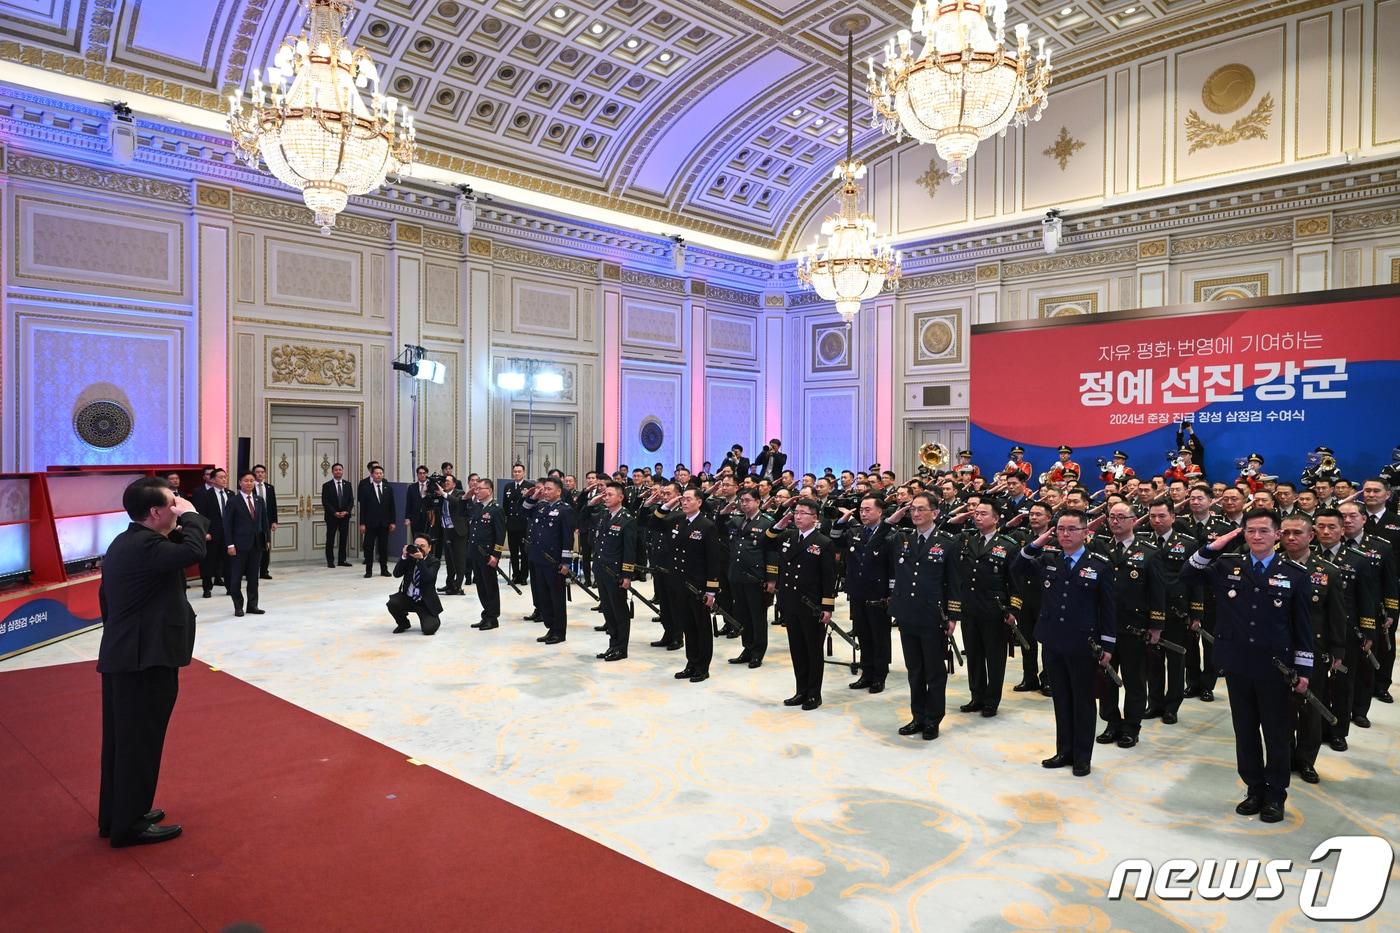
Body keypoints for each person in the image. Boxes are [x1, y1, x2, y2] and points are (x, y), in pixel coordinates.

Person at [1180, 510, 1314, 823]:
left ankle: (1275, 795)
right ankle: (1254, 789)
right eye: (1250, 531)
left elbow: (1303, 629)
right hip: (1238, 664)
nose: (1257, 537)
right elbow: (1188, 572)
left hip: (1276, 668)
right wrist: (1219, 543)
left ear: (1277, 535)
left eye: (1264, 531)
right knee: (1246, 731)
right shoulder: (1228, 565)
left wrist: (1304, 672)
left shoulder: (1294, 574)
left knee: (1277, 733)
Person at [97, 476, 207, 847]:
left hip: (128, 655)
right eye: (173, 502)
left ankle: (120, 814)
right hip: (143, 660)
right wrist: (191, 516)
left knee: (125, 742)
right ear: (157, 511)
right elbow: (193, 551)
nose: (178, 505)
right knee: (139, 742)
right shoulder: (145, 546)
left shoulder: (132, 541)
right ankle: (129, 824)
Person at [1013, 509, 1117, 777]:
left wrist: (1108, 645)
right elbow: (1017, 566)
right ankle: (1064, 750)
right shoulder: (1047, 559)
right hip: (1052, 640)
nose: (1066, 534)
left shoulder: (1099, 565)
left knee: (1083, 701)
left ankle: (1082, 756)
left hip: (1084, 643)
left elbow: (1108, 608)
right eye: (1060, 529)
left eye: (1072, 529)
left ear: (1085, 533)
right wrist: (1037, 542)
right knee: (1061, 699)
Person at [886, 492, 961, 740]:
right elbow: (875, 541)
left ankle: (933, 719)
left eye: (921, 509)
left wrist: (952, 615)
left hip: (933, 615)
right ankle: (917, 716)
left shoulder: (948, 542)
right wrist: (893, 518)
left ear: (935, 513)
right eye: (912, 509)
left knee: (934, 671)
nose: (915, 514)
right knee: (914, 670)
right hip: (907, 614)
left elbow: (954, 582)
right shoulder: (902, 538)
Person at [1278, 513, 1345, 785]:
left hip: (1312, 650)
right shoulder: (1270, 566)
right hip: (1277, 649)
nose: (1291, 538)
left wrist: (1338, 651)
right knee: (1279, 708)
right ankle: (1281, 758)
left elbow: (1336, 616)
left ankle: (1305, 760)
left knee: (1309, 707)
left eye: (1297, 533)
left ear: (1311, 536)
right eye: (1286, 533)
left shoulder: (1327, 571)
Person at [1092, 502, 1166, 749]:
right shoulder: (1100, 547)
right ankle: (1111, 722)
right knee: (1106, 678)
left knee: (1135, 681)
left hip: (1135, 628)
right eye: (1112, 517)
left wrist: (1156, 625)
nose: (1115, 521)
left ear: (1134, 520)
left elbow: (1157, 592)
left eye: (1121, 517)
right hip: (1105, 627)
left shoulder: (1149, 552)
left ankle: (1131, 727)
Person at [766, 497, 837, 710]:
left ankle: (814, 693)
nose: (797, 516)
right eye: (796, 512)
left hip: (811, 605)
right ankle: (801, 690)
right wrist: (780, 522)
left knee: (813, 651)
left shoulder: (823, 542)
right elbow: (766, 541)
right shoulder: (788, 536)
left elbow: (828, 578)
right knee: (797, 649)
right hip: (790, 602)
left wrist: (827, 606)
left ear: (815, 518)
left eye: (803, 513)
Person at [956, 501, 1019, 718]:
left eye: (983, 514)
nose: (977, 517)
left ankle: (992, 700)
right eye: (976, 513)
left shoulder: (1008, 545)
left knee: (994, 658)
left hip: (995, 610)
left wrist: (1013, 609)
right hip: (970, 607)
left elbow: (1015, 583)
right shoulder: (967, 539)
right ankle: (977, 696)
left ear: (996, 518)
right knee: (973, 655)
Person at [1143, 500, 1202, 725]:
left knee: (1176, 660)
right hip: (1149, 610)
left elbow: (1196, 580)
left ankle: (1172, 706)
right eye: (1152, 516)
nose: (1157, 521)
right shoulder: (1142, 541)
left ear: (1173, 518)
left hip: (1177, 611)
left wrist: (1196, 614)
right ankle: (1155, 702)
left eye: (1162, 516)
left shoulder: (1187, 543)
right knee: (1152, 660)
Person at [660, 487, 722, 682]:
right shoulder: (677, 520)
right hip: (679, 583)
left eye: (688, 499)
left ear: (699, 502)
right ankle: (691, 662)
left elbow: (714, 560)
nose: (684, 502)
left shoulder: (707, 525)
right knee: (687, 625)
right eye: (682, 499)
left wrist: (711, 589)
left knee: (701, 627)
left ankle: (703, 666)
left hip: (698, 587)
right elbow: (651, 522)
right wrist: (666, 505)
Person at [842, 495, 893, 693]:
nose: (863, 513)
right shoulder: (855, 531)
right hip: (858, 591)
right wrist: (841, 520)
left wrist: (891, 592)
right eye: (861, 510)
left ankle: (880, 675)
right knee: (863, 634)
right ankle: (866, 672)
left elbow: (892, 568)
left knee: (879, 636)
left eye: (868, 510)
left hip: (878, 592)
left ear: (880, 512)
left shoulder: (889, 535)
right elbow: (836, 538)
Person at [724, 488, 773, 668]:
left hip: (756, 577)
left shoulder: (767, 523)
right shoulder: (737, 521)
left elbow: (772, 553)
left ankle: (758, 652)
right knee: (743, 615)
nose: (744, 504)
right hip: (737, 576)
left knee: (757, 616)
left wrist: (772, 579)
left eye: (747, 500)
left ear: (758, 502)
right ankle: (747, 648)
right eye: (741, 500)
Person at [525, 476, 576, 644]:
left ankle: (559, 632)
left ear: (559, 491)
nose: (545, 492)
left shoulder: (565, 510)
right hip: (538, 559)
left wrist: (566, 563)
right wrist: (534, 495)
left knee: (556, 598)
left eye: (549, 489)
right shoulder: (540, 507)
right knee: (543, 596)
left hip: (554, 562)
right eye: (544, 489)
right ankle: (550, 627)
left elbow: (568, 538)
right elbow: (524, 510)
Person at [591, 481, 638, 661]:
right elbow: (583, 517)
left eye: (610, 495)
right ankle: (613, 644)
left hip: (616, 574)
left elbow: (629, 550)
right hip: (602, 570)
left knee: (619, 611)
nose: (606, 497)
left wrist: (627, 575)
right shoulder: (604, 515)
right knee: (608, 611)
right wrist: (592, 502)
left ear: (620, 497)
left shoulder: (627, 519)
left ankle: (621, 648)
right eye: (605, 494)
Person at [223, 470, 270, 617]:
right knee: (236, 577)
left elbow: (264, 521)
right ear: (240, 483)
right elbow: (227, 525)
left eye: (251, 481)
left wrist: (267, 539)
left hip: (256, 545)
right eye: (246, 481)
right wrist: (230, 544)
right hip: (238, 545)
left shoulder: (259, 500)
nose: (249, 483)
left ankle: (252, 605)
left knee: (253, 578)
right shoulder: (233, 501)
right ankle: (238, 606)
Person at [468, 479, 507, 631]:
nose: (476, 491)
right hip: (476, 553)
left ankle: (493, 618)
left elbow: (500, 535)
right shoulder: (477, 507)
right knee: (481, 587)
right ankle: (486, 615)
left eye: (479, 489)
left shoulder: (496, 509)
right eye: (475, 489)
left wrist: (496, 555)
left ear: (489, 490)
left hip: (488, 555)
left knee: (490, 587)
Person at [387, 535, 443, 636]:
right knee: (392, 603)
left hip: (424, 602)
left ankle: (431, 619)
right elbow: (396, 574)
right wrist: (404, 556)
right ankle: (403, 624)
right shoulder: (409, 558)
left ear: (429, 548)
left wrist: (421, 560)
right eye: (416, 545)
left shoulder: (434, 561)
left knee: (429, 629)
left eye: (422, 546)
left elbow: (428, 578)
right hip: (408, 598)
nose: (419, 548)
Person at [194, 467, 230, 597]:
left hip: (228, 535)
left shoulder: (230, 494)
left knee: (228, 561)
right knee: (208, 562)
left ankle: (230, 587)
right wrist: (204, 532)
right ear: (213, 480)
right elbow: (201, 515)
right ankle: (207, 588)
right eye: (221, 477)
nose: (224, 479)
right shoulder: (205, 495)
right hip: (211, 534)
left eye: (225, 477)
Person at [358, 464, 397, 578]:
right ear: (372, 475)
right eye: (376, 473)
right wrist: (362, 523)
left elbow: (392, 507)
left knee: (383, 548)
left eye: (381, 473)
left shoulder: (388, 488)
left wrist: (393, 522)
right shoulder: (366, 488)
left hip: (384, 524)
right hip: (370, 524)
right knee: (369, 547)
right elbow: (363, 508)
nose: (379, 475)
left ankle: (384, 569)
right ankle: (368, 570)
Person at [321, 462, 354, 568]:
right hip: (332, 517)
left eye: (340, 469)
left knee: (343, 539)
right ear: (332, 472)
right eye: (336, 470)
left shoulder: (348, 484)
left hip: (345, 516)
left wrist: (347, 511)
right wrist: (334, 512)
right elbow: (325, 501)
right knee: (330, 539)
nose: (338, 471)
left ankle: (342, 560)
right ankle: (330, 561)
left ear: (342, 471)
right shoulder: (327, 486)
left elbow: (351, 501)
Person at [251, 464, 279, 580]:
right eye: (257, 472)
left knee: (266, 546)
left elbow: (273, 505)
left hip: (266, 521)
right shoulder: (249, 486)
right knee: (253, 547)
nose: (260, 474)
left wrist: (274, 521)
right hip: (253, 521)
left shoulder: (269, 487)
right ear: (254, 474)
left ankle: (264, 571)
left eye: (262, 472)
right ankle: (251, 572)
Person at [503, 463, 530, 585]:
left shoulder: (529, 486)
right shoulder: (508, 486)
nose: (517, 473)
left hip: (524, 524)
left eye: (519, 471)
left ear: (523, 472)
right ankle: (515, 575)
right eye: (515, 471)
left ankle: (524, 576)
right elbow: (505, 506)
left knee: (524, 552)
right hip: (512, 524)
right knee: (513, 552)